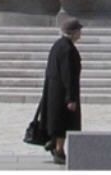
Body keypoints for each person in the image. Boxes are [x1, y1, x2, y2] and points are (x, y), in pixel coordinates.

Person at [37, 18, 83, 164]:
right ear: (73, 32)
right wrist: (70, 98)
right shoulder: (67, 49)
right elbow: (68, 75)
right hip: (63, 93)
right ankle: (59, 151)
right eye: (79, 30)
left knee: (58, 121)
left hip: (54, 92)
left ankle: (53, 143)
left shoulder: (58, 45)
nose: (81, 33)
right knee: (65, 122)